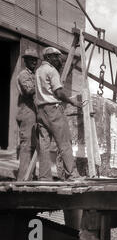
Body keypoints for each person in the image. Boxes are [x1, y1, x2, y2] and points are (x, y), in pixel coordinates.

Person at [35, 47, 82, 181]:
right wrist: (72, 102)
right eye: (56, 57)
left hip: (41, 111)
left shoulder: (38, 71)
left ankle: (44, 177)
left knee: (44, 146)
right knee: (64, 143)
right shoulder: (51, 71)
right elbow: (59, 93)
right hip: (53, 110)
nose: (59, 60)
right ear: (48, 58)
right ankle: (72, 175)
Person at [16, 49, 38, 181]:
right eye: (31, 59)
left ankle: (29, 177)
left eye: (35, 59)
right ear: (25, 61)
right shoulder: (23, 75)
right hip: (26, 113)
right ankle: (22, 180)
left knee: (33, 146)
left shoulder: (34, 75)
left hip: (34, 113)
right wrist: (42, 84)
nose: (34, 61)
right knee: (26, 146)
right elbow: (29, 90)